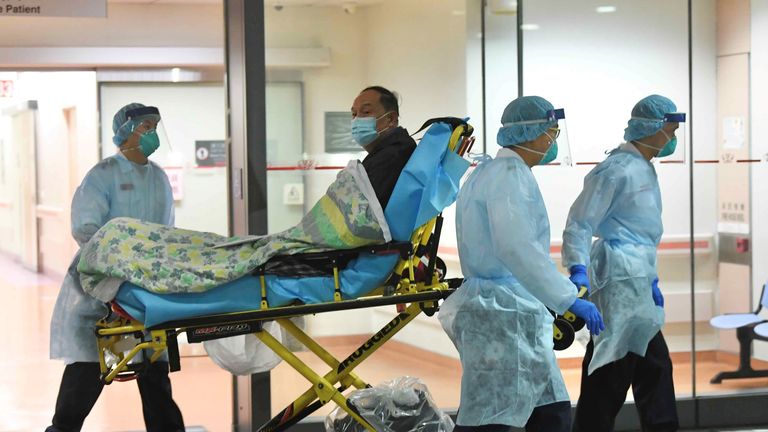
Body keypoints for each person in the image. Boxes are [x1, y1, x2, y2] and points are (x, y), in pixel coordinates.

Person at [438, 96, 604, 432]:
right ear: (532, 132)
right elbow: (516, 247)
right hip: (503, 314)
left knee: (551, 409)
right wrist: (568, 297)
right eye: (551, 132)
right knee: (494, 414)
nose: (553, 140)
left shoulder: (490, 172)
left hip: (512, 310)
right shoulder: (508, 176)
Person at [47, 103, 185, 432]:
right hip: (100, 293)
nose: (153, 134)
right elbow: (85, 228)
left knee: (154, 378)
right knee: (86, 374)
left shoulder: (159, 178)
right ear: (125, 132)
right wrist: (121, 262)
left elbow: (165, 231)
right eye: (145, 127)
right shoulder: (103, 174)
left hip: (146, 294)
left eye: (155, 126)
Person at [563, 94, 683, 432]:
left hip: (637, 283)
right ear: (651, 127)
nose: (673, 137)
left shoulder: (643, 167)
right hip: (618, 283)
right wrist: (578, 268)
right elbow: (580, 223)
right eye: (670, 129)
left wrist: (652, 279)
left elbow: (642, 233)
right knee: (611, 373)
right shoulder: (615, 169)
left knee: (653, 368)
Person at [351, 85, 416, 209]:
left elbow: (358, 214)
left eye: (366, 112)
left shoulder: (392, 157)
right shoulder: (391, 150)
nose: (357, 119)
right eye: (354, 114)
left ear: (391, 119)